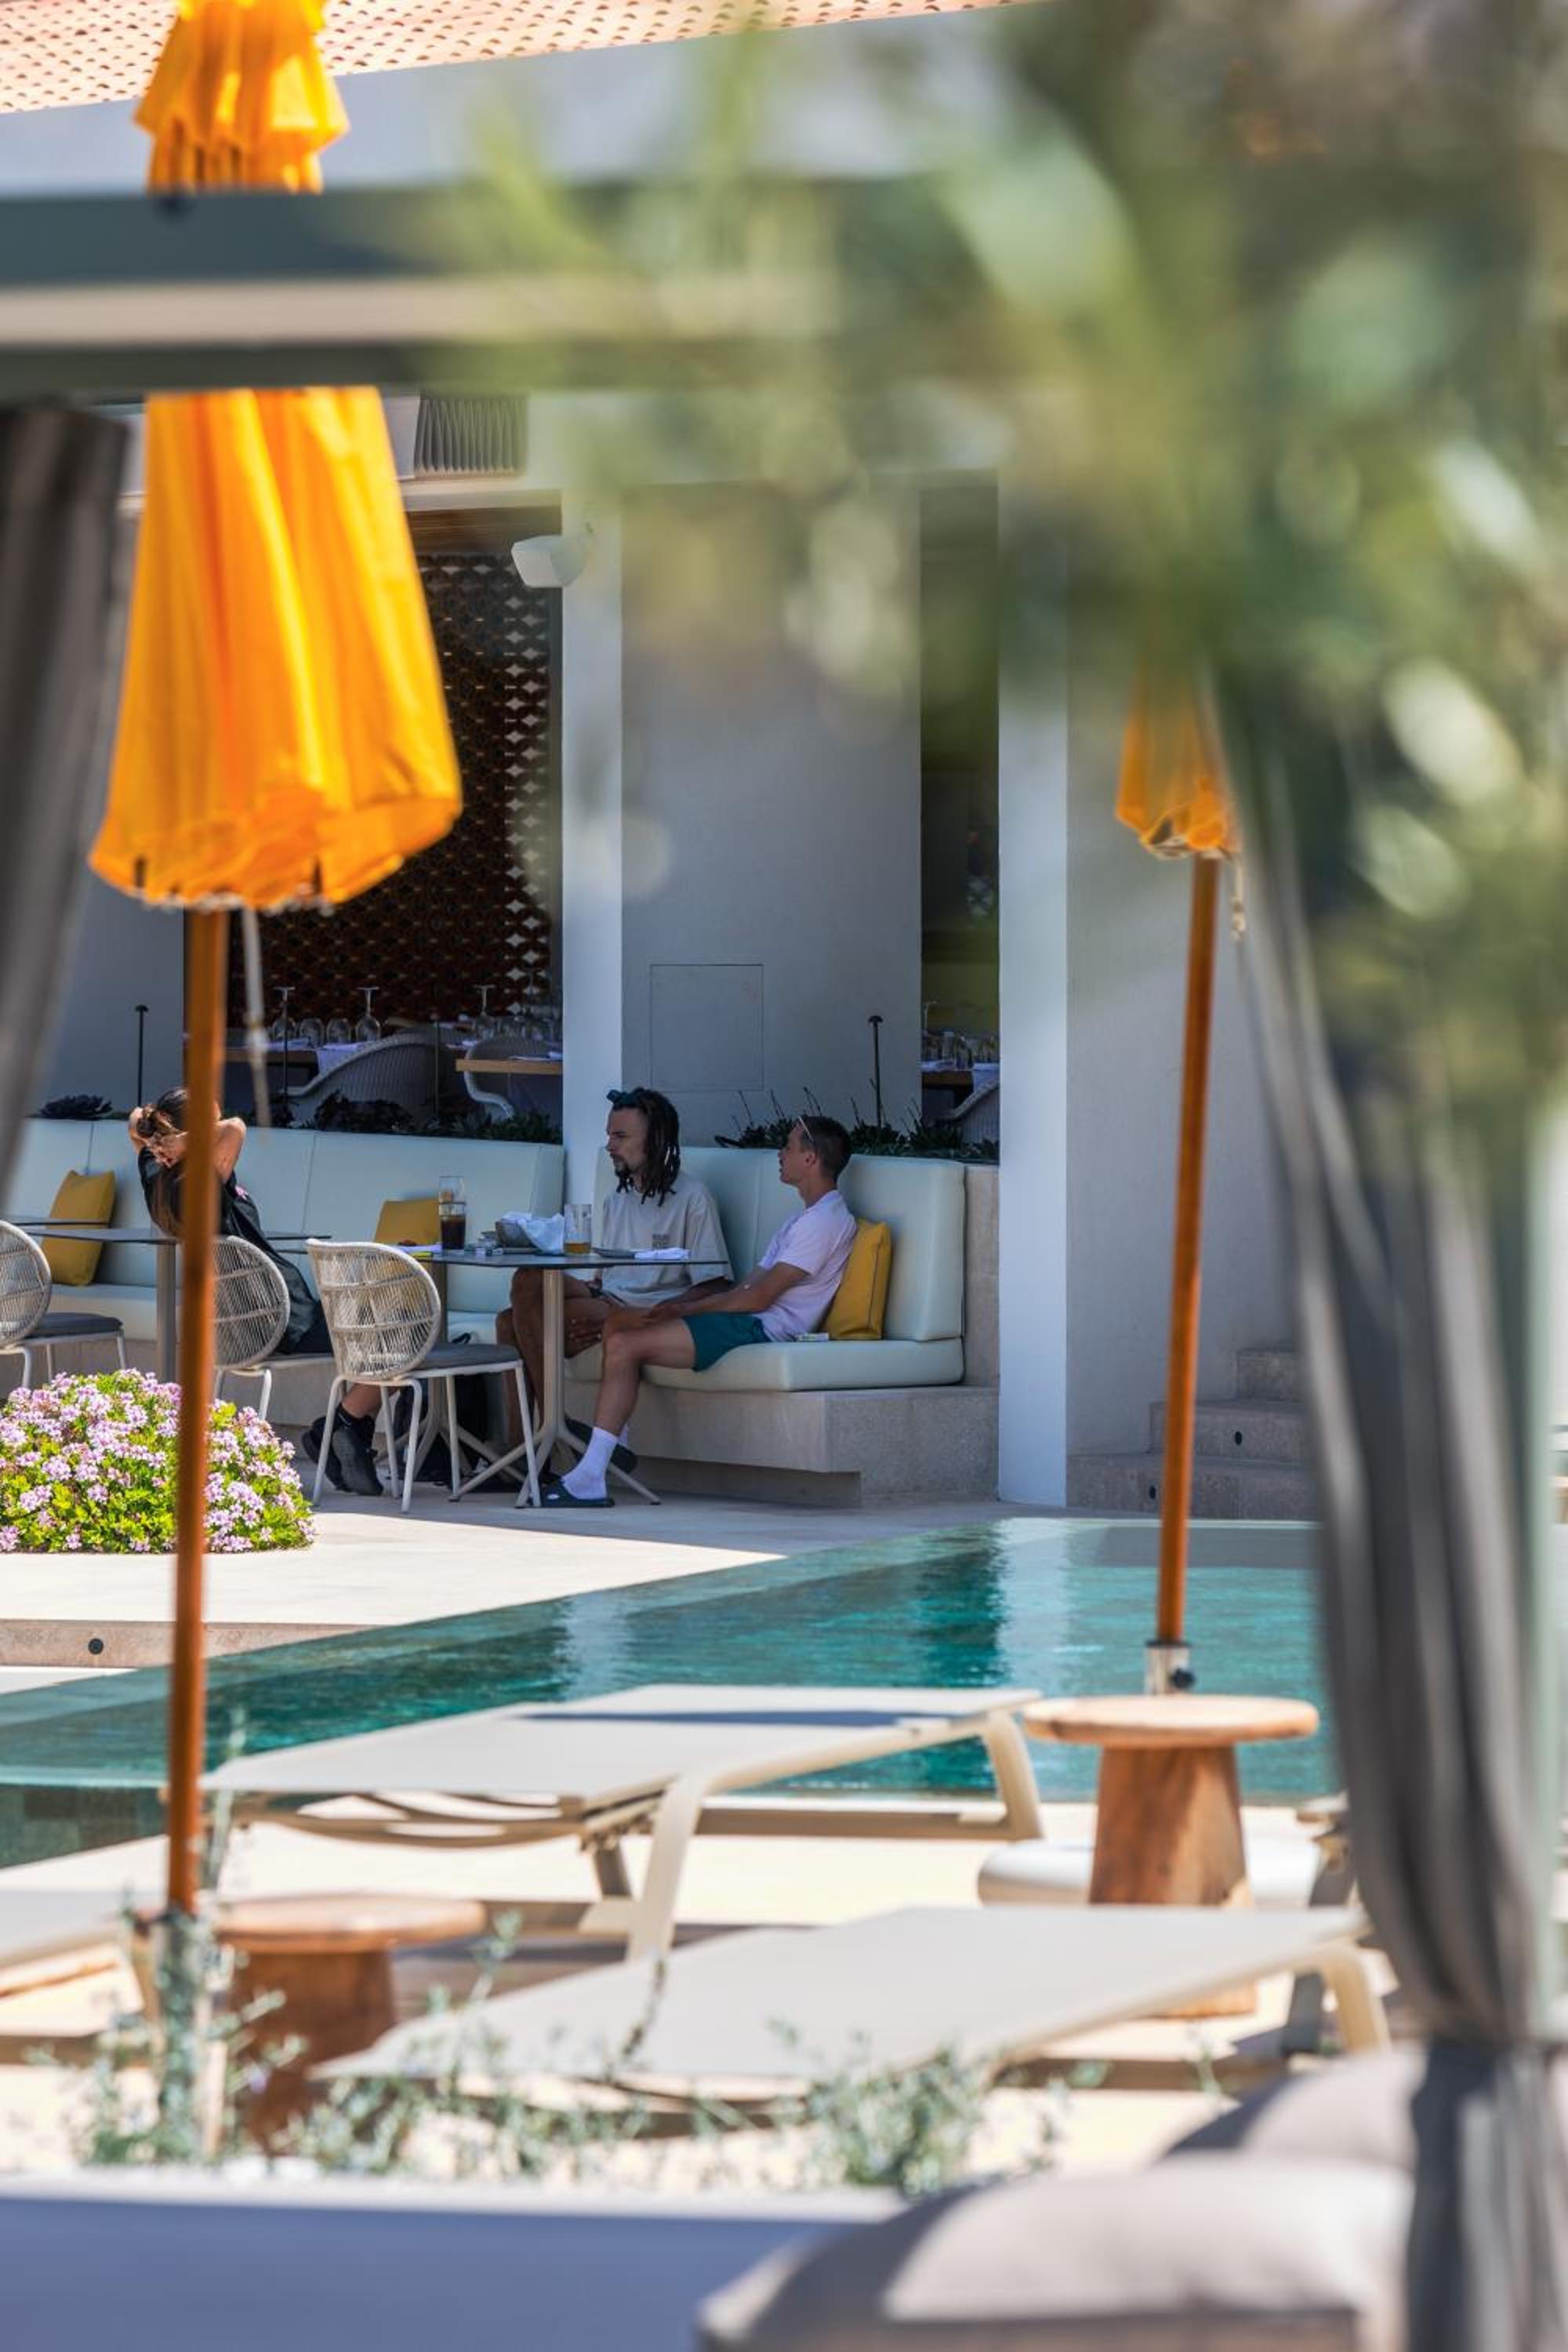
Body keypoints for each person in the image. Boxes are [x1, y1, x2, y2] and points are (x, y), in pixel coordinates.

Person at [540, 1112, 856, 1508]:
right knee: (621, 1327)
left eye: (788, 1147)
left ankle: (591, 1476)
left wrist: (685, 1309)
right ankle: (613, 1449)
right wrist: (683, 1308)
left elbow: (759, 1298)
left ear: (810, 1159)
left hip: (761, 1327)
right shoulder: (802, 1219)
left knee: (624, 1344)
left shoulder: (825, 1222)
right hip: (744, 1318)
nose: (780, 1154)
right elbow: (750, 1286)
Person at [129, 1090, 383, 1497]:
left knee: (382, 1327)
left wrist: (164, 1141)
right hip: (282, 1318)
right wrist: (186, 1140)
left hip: (236, 1326)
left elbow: (135, 1119)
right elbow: (236, 1127)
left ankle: (347, 1434)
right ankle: (342, 1425)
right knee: (394, 1335)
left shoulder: (154, 1176)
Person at [495, 1087, 731, 1461]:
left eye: (620, 1136)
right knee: (526, 1281)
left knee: (510, 1323)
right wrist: (594, 1296)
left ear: (655, 1140)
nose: (609, 1146)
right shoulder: (616, 1198)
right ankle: (541, 1432)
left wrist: (656, 1313)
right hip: (606, 1298)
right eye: (609, 1136)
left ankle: (531, 1443)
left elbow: (715, 1285)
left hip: (643, 1309)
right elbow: (606, 1278)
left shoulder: (693, 1198)